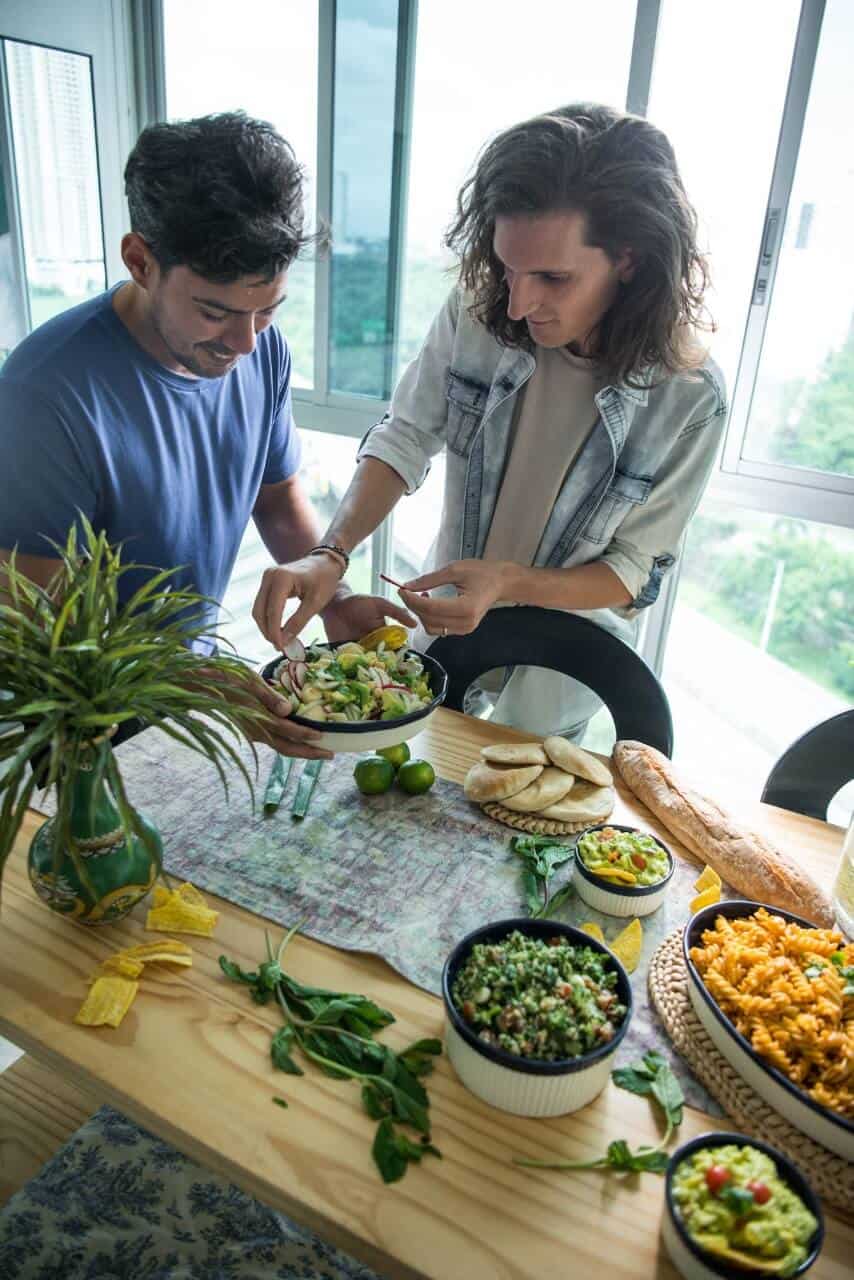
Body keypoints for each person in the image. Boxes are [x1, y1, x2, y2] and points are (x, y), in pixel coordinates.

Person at [252, 103, 728, 739]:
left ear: (631, 260)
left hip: (563, 666)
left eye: (553, 277)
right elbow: (405, 436)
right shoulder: (478, 312)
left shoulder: (690, 397)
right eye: (508, 267)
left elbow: (630, 573)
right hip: (445, 632)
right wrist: (330, 555)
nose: (519, 300)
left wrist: (508, 581)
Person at [0, 111, 413, 759]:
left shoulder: (260, 350)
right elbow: (40, 641)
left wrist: (337, 596)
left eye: (268, 310)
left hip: (193, 695)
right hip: (85, 729)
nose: (245, 343)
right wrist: (208, 686)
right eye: (215, 312)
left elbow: (276, 503)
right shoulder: (44, 396)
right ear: (140, 261)